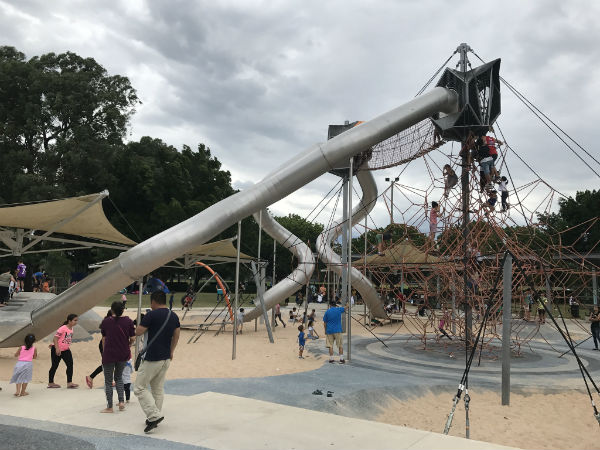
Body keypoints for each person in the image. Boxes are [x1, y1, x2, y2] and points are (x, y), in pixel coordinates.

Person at [134, 290, 181, 434]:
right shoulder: (173, 316)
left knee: (139, 388)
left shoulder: (151, 315)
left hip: (152, 357)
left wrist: (139, 324)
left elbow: (138, 332)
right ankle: (155, 416)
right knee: (157, 389)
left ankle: (154, 416)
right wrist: (171, 351)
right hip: (166, 357)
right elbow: (176, 336)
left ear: (154, 301)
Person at [100, 301, 135, 413]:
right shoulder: (128, 321)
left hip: (109, 354)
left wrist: (105, 351)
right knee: (119, 378)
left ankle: (110, 407)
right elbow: (133, 338)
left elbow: (104, 338)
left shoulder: (106, 322)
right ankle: (121, 402)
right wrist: (128, 345)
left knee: (108, 381)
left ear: (112, 310)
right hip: (123, 353)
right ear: (123, 310)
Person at [48, 314, 79, 389]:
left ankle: (69, 382)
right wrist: (56, 348)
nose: (76, 322)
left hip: (66, 350)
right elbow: (55, 339)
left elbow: (67, 338)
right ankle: (51, 383)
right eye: (75, 320)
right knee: (54, 366)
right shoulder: (62, 328)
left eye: (77, 320)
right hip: (57, 350)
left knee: (70, 364)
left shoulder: (71, 328)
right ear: (69, 321)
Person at [86, 309, 113, 389]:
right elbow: (104, 338)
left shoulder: (112, 322)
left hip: (109, 345)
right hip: (104, 345)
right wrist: (105, 350)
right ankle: (91, 377)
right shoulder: (107, 324)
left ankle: (91, 377)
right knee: (107, 364)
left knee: (109, 363)